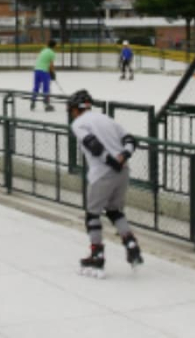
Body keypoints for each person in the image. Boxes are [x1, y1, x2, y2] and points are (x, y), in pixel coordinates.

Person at [67, 89, 143, 277]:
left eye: (71, 110)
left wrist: (110, 161)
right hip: (123, 171)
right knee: (115, 211)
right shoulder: (107, 119)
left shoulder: (78, 123)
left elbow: (92, 145)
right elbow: (130, 140)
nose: (70, 114)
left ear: (76, 110)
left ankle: (97, 255)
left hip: (102, 173)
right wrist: (123, 156)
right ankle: (131, 244)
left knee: (92, 215)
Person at [31, 39, 58, 111]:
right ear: (54, 46)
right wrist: (53, 73)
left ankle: (33, 101)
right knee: (46, 88)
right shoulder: (52, 53)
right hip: (44, 71)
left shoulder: (43, 50)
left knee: (36, 87)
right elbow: (51, 65)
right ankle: (46, 104)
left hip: (36, 70)